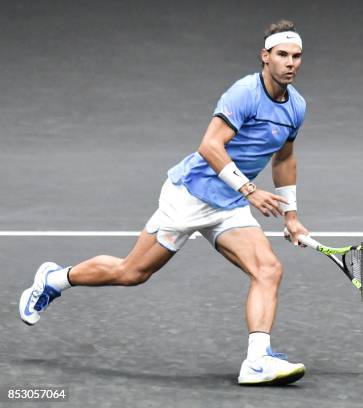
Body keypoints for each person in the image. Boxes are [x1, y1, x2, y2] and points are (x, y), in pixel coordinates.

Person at [19, 20, 309, 386]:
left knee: (268, 269)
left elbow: (284, 159)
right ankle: (55, 279)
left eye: (296, 56)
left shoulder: (296, 106)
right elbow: (210, 146)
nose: (290, 63)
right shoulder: (244, 93)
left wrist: (291, 216)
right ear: (265, 57)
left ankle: (256, 361)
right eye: (282, 55)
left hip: (230, 204)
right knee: (132, 273)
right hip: (190, 197)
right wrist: (250, 191)